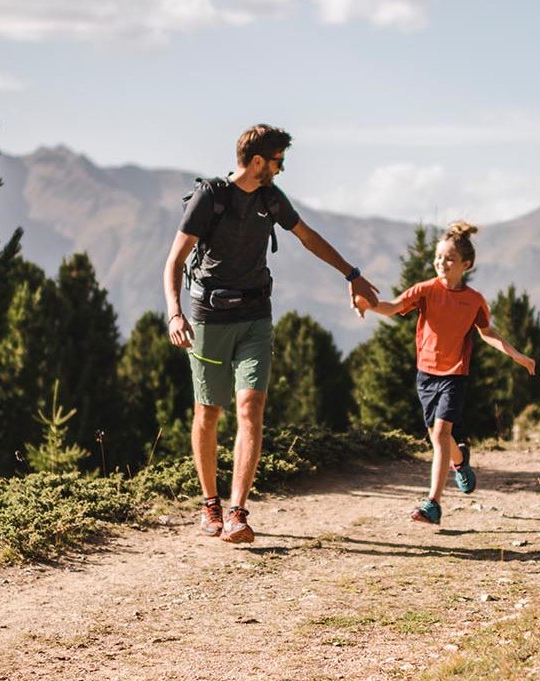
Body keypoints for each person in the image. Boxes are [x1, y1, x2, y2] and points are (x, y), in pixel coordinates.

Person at [163, 124, 380, 543]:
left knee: (251, 407)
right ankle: (210, 502)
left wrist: (351, 274)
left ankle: (237, 512)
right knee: (208, 412)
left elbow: (308, 238)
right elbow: (174, 261)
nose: (282, 169)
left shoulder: (270, 198)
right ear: (258, 161)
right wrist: (174, 313)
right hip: (208, 318)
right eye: (279, 161)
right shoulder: (211, 197)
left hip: (255, 316)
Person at [356, 222, 535, 525]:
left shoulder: (474, 299)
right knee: (439, 436)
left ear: (466, 264)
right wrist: (368, 305)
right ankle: (461, 461)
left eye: (449, 258)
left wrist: (516, 354)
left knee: (440, 433)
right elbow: (393, 307)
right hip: (425, 374)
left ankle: (433, 504)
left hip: (455, 374)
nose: (441, 262)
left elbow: (487, 331)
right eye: (438, 257)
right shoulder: (425, 290)